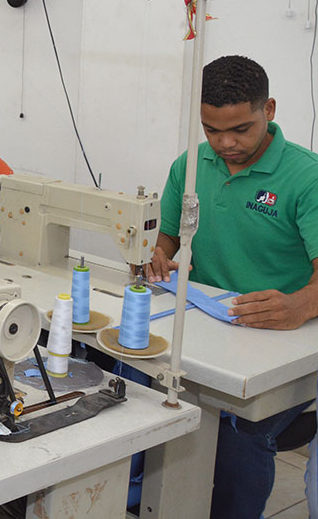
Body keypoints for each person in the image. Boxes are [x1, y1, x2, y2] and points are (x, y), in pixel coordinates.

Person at [135, 55, 318, 519]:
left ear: (268, 110)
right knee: (132, 387)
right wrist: (157, 257)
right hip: (208, 325)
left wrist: (300, 305)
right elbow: (168, 237)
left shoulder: (306, 176)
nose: (225, 143)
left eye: (240, 129)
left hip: (281, 340)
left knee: (240, 431)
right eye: (211, 130)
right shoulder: (192, 164)